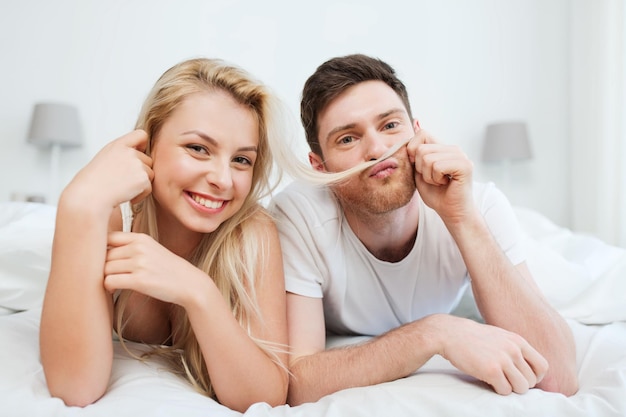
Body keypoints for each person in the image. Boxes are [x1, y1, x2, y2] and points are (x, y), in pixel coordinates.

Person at [268, 53, 579, 406]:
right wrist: (434, 333)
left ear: (418, 134)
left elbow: (560, 375)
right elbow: (299, 383)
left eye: (390, 126)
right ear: (320, 167)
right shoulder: (298, 216)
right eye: (347, 139)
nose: (378, 149)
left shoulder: (480, 204)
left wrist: (462, 219)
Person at [39, 58, 290, 412]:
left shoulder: (252, 231)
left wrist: (198, 291)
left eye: (241, 160)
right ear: (149, 143)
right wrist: (77, 205)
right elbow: (75, 388)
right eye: (198, 148)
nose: (223, 179)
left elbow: (265, 397)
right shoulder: (110, 212)